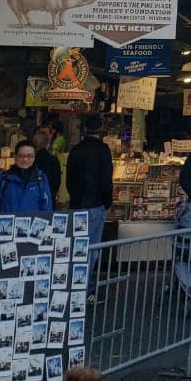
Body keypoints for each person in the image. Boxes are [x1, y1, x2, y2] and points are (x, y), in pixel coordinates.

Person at [67, 115, 113, 296]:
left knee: (78, 247)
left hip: (78, 205)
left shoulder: (75, 150)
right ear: (101, 130)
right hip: (96, 206)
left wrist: (74, 199)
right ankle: (86, 289)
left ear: (84, 130)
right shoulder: (103, 150)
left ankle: (76, 286)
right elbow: (106, 179)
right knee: (92, 249)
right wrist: (107, 202)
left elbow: (69, 180)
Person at [0, 140, 54, 214]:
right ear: (15, 156)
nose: (25, 159)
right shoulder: (3, 178)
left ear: (34, 157)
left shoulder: (41, 179)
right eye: (21, 156)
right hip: (6, 226)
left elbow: (46, 207)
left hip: (31, 226)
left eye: (30, 156)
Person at [33, 129, 62, 201]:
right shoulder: (53, 160)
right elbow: (56, 184)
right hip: (49, 198)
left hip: (33, 199)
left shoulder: (31, 160)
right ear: (47, 144)